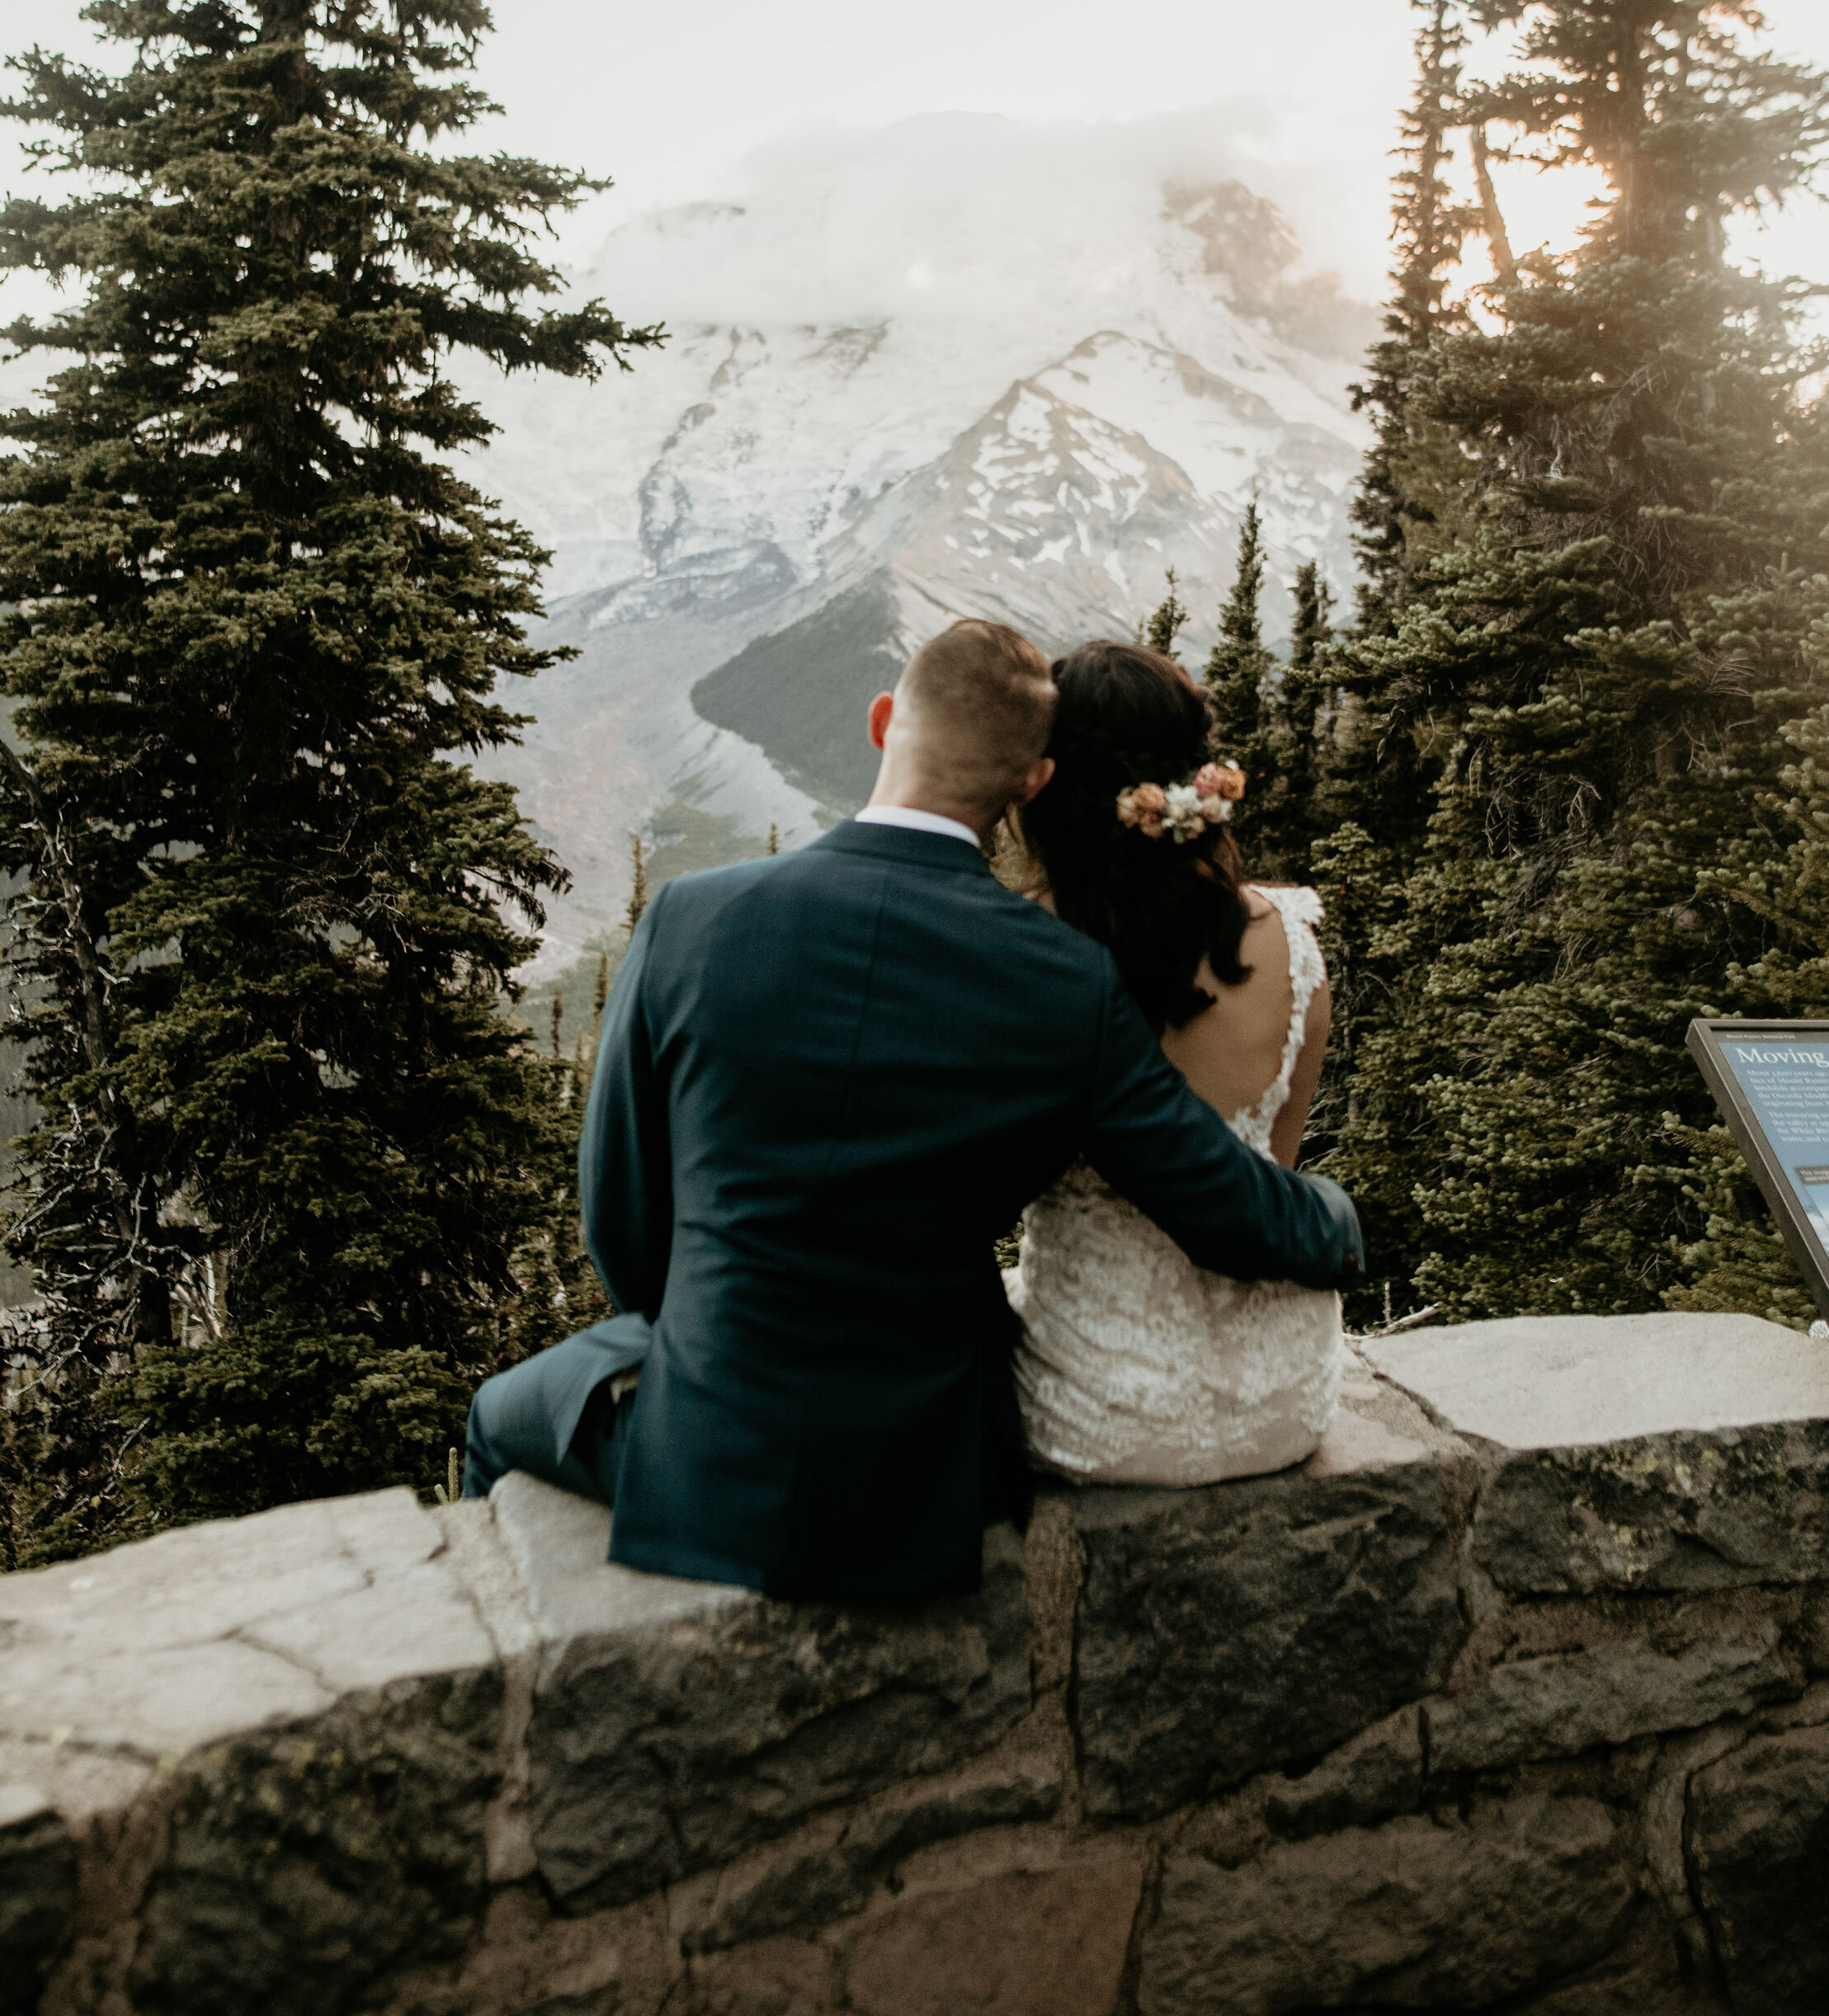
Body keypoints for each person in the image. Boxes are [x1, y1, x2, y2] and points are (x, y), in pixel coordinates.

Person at [464, 617, 1362, 1603]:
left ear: (884, 719)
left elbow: (623, 1226)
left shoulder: (692, 918)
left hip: (717, 1442)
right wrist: (1342, 1219)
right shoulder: (1064, 979)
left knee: (498, 1414)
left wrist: (709, 1344)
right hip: (938, 1465)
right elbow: (1222, 1201)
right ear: (1030, 784)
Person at [1006, 638, 1346, 1483]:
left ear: (1045, 782)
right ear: (1195, 780)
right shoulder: (1291, 945)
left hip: (1097, 1408)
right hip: (1283, 1400)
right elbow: (1272, 1177)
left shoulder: (1018, 949)